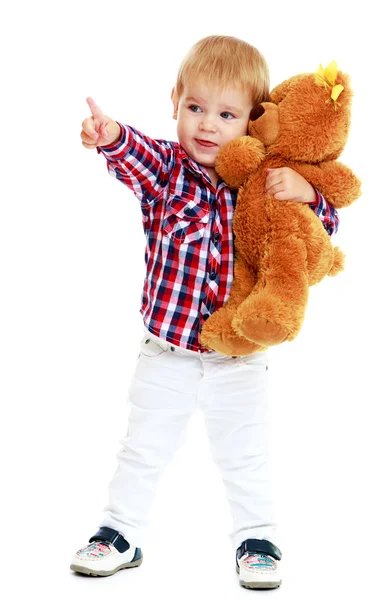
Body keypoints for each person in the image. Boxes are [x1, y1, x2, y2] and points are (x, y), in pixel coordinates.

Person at [71, 35, 339, 590]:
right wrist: (110, 136)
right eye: (195, 108)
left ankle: (257, 538)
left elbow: (316, 237)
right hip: (166, 349)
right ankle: (119, 531)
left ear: (253, 119)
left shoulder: (264, 181)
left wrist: (309, 196)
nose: (208, 126)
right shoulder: (168, 172)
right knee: (142, 445)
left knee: (245, 452)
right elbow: (135, 152)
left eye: (226, 114)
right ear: (175, 102)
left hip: (239, 357)